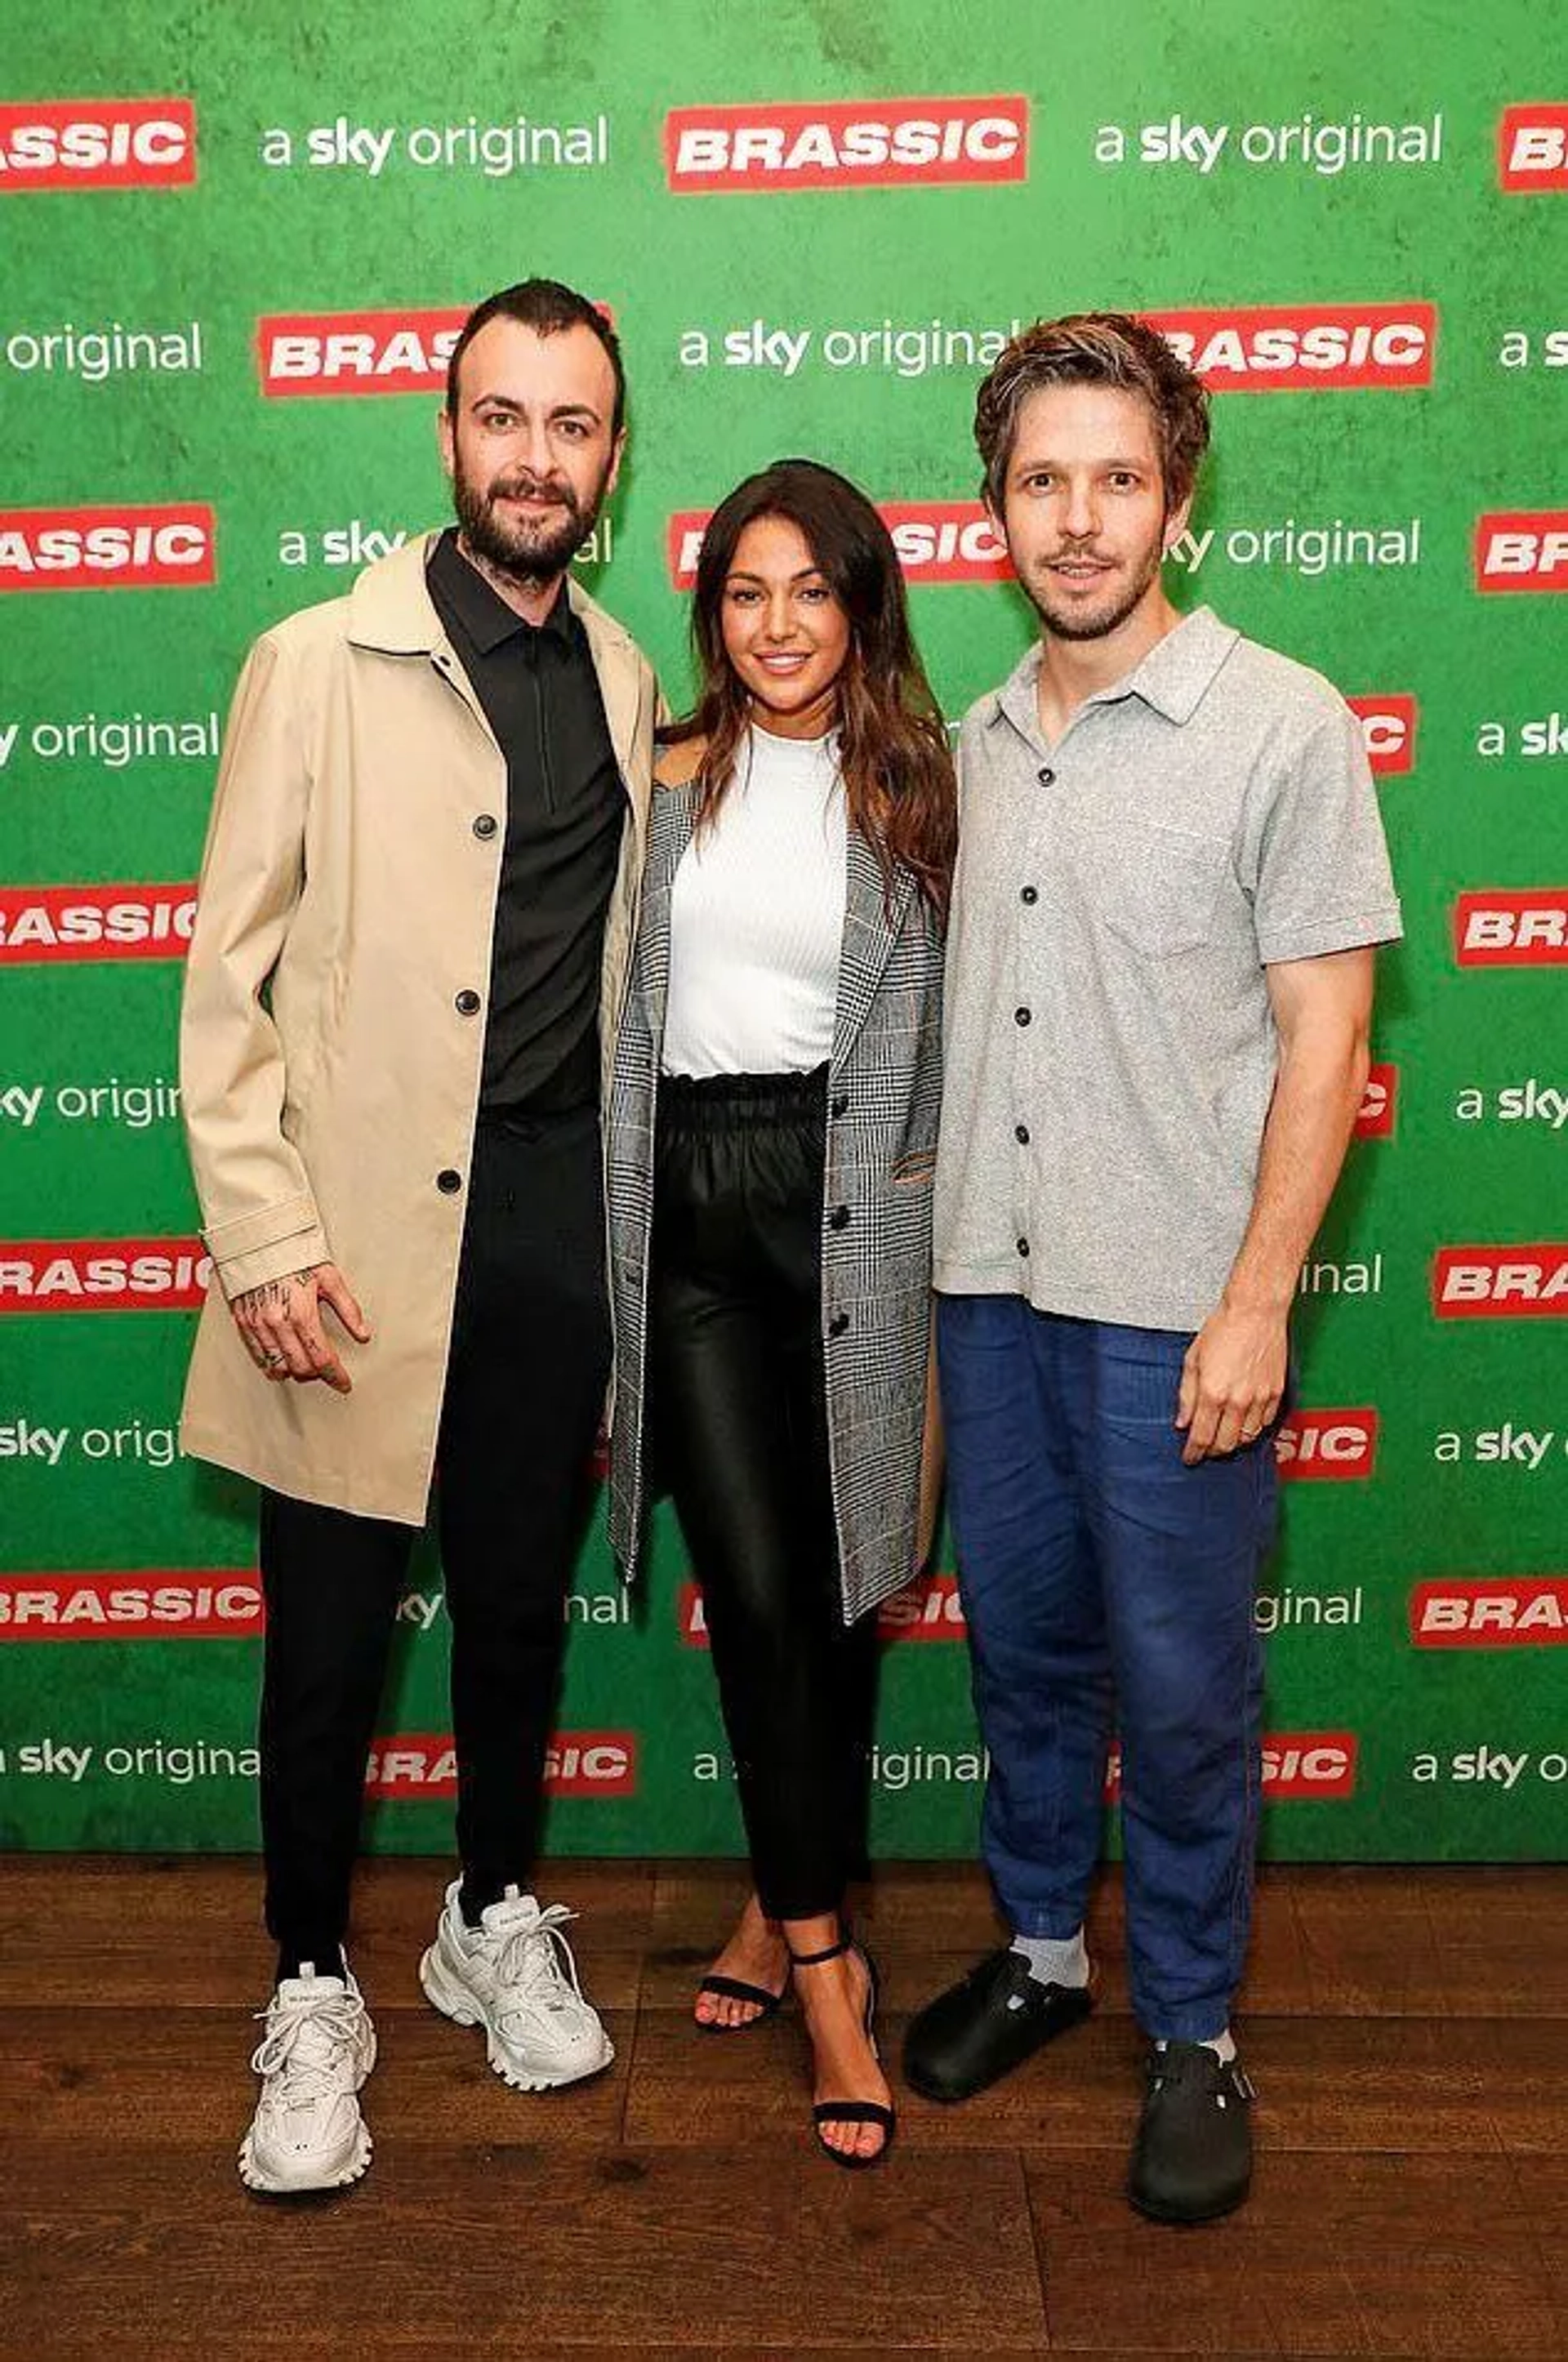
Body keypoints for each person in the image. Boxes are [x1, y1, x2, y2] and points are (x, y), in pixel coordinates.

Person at [902, 314, 1401, 2222]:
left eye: (1118, 477)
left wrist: (1259, 1298)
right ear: (996, 508)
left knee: (1182, 1685)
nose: (1080, 516)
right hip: (992, 1291)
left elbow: (1326, 1035)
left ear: (1178, 500)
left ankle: (1193, 2024)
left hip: (1176, 1310)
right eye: (1043, 478)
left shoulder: (1281, 722)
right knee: (1024, 1654)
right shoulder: (969, 748)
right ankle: (1042, 1949)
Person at [179, 279, 660, 2195]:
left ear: (612, 459)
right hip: (352, 1242)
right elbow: (226, 986)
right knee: (323, 1644)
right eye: (503, 418)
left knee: (519, 1613)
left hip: (552, 1221)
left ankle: (490, 1911)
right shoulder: (316, 659)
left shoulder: (624, 675)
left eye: (574, 424)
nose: (535, 457)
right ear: (446, 434)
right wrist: (266, 1235)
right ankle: (308, 1983)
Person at [606, 458, 954, 2167]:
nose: (778, 625)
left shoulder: (921, 791)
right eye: (747, 593)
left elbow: (964, 1034)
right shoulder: (654, 780)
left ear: (862, 602)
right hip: (687, 1205)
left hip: (852, 1212)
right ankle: (832, 1974)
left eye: (811, 590)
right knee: (752, 1585)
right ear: (711, 613)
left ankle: (770, 1899)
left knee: (836, 1591)